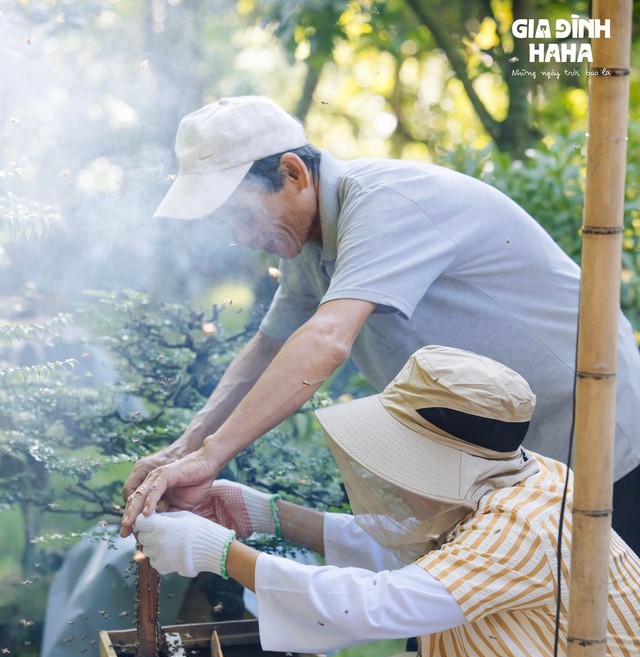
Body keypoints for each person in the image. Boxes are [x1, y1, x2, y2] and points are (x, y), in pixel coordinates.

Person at [133, 345, 640, 657]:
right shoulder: (516, 478)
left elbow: (374, 606)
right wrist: (264, 514)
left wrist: (218, 552)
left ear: (438, 462)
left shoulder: (523, 527)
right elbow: (418, 557)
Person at [120, 96, 640, 555]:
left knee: (596, 635)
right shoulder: (308, 239)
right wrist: (183, 449)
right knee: (454, 639)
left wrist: (211, 458)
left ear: (294, 173)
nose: (238, 236)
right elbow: (267, 349)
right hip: (489, 454)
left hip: (587, 430)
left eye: (241, 214)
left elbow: (326, 341)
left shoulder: (384, 203)